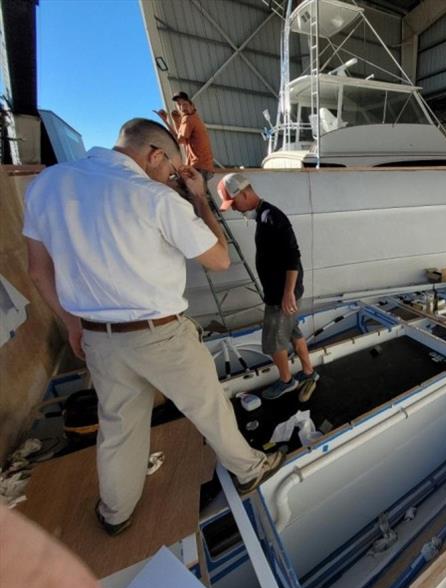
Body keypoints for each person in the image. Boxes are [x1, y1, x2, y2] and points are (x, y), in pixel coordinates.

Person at [23, 119, 283, 536]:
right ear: (155, 155)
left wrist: (74, 325)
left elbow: (39, 272)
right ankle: (250, 468)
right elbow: (218, 260)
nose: (169, 178)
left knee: (119, 429)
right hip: (160, 334)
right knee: (207, 407)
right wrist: (198, 199)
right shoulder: (155, 198)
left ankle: (115, 513)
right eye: (169, 169)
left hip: (97, 337)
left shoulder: (47, 185)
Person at [216, 173, 319, 400]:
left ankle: (286, 381)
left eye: (234, 204)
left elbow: (293, 255)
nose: (234, 209)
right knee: (292, 330)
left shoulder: (271, 216)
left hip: (281, 295)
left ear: (245, 193)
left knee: (273, 343)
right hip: (286, 292)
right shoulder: (263, 215)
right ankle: (309, 371)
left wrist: (287, 293)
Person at [155, 91, 214, 181]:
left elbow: (178, 140)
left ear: (192, 105)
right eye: (179, 104)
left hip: (199, 167)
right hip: (205, 167)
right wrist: (176, 121)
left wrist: (164, 120)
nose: (182, 107)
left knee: (187, 190)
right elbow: (182, 138)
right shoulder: (194, 117)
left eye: (185, 104)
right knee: (197, 192)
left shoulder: (188, 118)